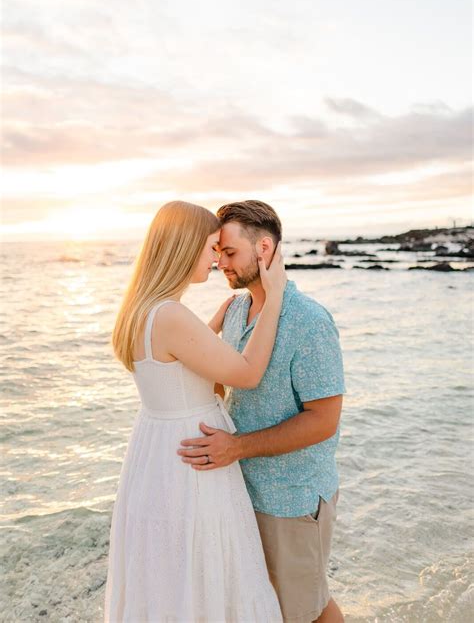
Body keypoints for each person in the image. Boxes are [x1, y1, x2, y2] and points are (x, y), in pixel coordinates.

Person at [104, 200, 285, 622]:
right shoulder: (170, 314)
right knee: (207, 570)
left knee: (170, 575)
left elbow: (173, 370)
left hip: (157, 453)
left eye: (222, 250)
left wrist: (211, 327)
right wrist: (273, 299)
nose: (216, 258)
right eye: (210, 247)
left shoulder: (141, 311)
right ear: (184, 248)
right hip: (194, 459)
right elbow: (247, 373)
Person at [178, 200, 345, 623]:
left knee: (307, 609)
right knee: (262, 608)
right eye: (217, 253)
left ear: (265, 249)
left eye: (230, 253)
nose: (221, 265)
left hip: (290, 498)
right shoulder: (235, 311)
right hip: (240, 491)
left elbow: (324, 420)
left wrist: (237, 447)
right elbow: (222, 387)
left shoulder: (308, 321)